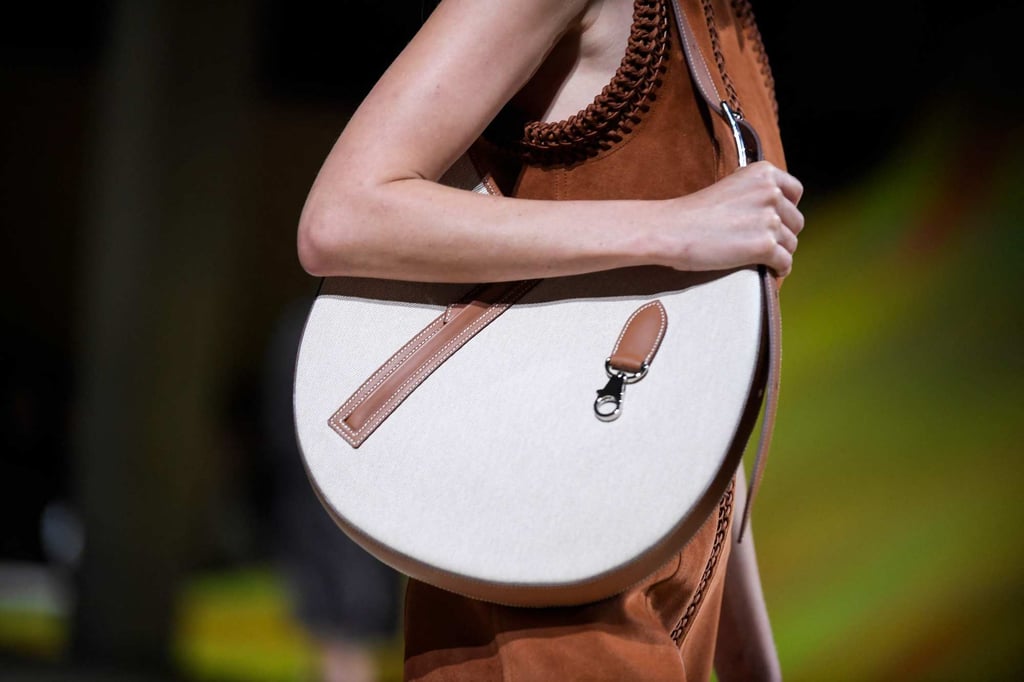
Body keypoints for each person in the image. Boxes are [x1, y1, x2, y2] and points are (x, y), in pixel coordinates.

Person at [296, 0, 803, 680]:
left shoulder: (721, 23)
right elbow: (342, 215)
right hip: (538, 590)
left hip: (661, 597)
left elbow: (699, 387)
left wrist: (751, 666)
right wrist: (673, 229)